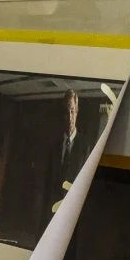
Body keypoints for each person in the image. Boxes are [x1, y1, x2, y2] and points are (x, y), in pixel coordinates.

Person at [43, 89, 97, 223]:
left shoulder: (86, 148)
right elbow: (48, 185)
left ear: (77, 111)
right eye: (66, 112)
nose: (70, 117)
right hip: (52, 214)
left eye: (72, 111)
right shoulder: (53, 145)